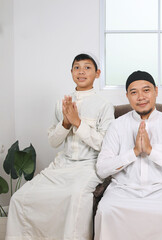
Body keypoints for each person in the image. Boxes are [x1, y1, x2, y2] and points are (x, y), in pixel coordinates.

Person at [6, 53, 114, 240]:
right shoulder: (61, 103)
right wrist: (65, 123)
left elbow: (105, 144)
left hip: (88, 166)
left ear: (97, 73)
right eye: (77, 67)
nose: (81, 71)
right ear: (71, 72)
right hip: (61, 165)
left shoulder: (104, 105)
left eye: (87, 67)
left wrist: (78, 123)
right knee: (20, 199)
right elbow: (53, 142)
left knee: (75, 197)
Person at [94, 71, 162, 240]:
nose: (140, 97)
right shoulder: (117, 126)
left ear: (156, 91)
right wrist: (134, 152)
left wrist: (151, 152)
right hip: (124, 191)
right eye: (134, 92)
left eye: (146, 90)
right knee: (106, 211)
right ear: (127, 96)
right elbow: (102, 169)